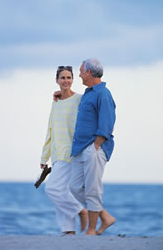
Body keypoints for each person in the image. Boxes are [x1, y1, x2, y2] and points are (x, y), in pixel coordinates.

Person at [69, 58, 116, 235]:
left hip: (94, 148)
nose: (79, 74)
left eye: (81, 71)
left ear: (89, 72)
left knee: (93, 190)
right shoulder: (88, 93)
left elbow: (107, 123)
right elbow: (73, 99)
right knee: (74, 187)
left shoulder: (103, 94)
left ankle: (91, 230)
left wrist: (96, 145)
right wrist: (61, 93)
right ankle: (105, 217)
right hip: (80, 148)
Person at [40, 66, 88, 235]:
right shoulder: (56, 102)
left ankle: (81, 211)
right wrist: (44, 156)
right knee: (63, 191)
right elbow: (50, 129)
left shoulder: (80, 100)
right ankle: (68, 230)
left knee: (52, 189)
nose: (66, 80)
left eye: (69, 77)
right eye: (62, 77)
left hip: (71, 152)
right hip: (56, 153)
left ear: (73, 79)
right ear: (57, 80)